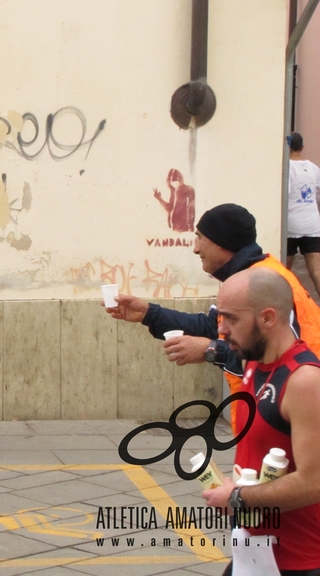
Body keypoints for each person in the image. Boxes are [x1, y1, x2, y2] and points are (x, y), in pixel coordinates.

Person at [104, 203, 320, 427]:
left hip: (291, 417)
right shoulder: (246, 276)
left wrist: (211, 350)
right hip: (269, 414)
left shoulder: (262, 283)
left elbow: (279, 355)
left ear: (222, 243)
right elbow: (213, 326)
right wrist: (149, 314)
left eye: (199, 238)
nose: (195, 248)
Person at [202, 267, 320, 574]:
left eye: (232, 318)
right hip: (255, 554)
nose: (222, 329)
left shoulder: (304, 380)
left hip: (298, 563)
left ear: (267, 318)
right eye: (220, 317)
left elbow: (314, 482)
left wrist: (238, 497)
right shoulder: (254, 361)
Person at [286, 132, 320, 297]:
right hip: (313, 225)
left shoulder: (287, 168)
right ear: (302, 147)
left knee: (284, 272)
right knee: (317, 271)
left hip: (290, 226)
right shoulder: (313, 168)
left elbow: (284, 195)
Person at [153, 168, 195, 232]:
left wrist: (190, 227)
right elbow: (170, 208)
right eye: (171, 181)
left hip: (183, 227)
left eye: (174, 180)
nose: (173, 183)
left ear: (180, 179)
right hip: (173, 226)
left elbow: (191, 210)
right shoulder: (173, 191)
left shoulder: (189, 190)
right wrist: (159, 199)